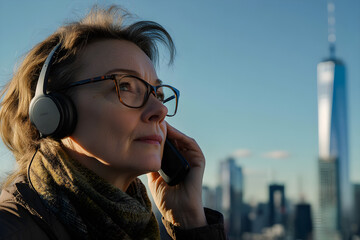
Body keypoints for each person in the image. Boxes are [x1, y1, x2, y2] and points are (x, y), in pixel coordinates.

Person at [0, 5, 226, 240]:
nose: (160, 109)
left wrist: (190, 220)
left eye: (157, 93)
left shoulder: (136, 226)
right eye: (125, 85)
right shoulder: (10, 229)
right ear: (53, 112)